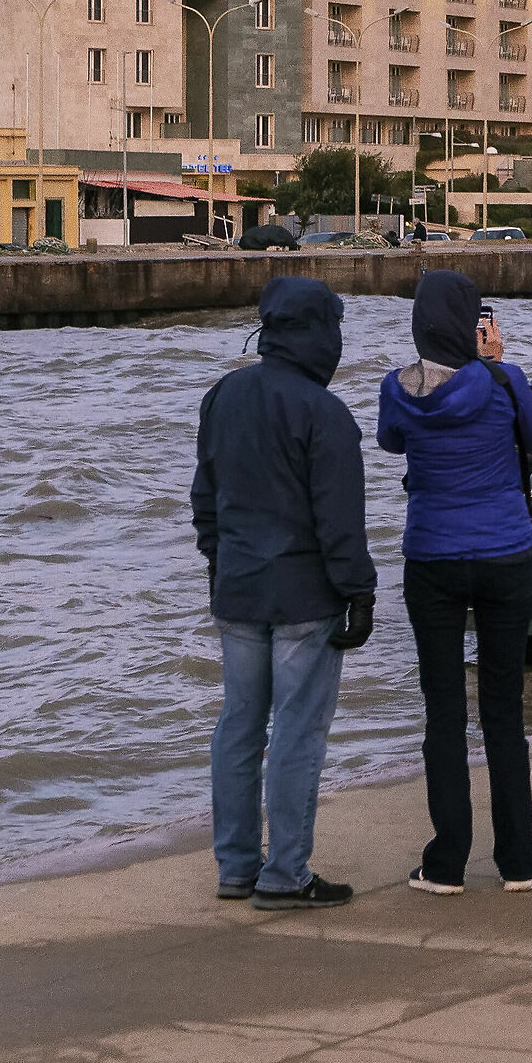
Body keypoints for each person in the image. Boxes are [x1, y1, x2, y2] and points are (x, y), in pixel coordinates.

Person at [192, 277, 376, 909]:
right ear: (323, 334)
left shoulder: (223, 396)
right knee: (297, 734)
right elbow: (339, 523)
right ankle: (285, 874)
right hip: (306, 596)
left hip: (239, 591)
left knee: (239, 729)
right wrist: (360, 594)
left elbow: (204, 502)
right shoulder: (325, 413)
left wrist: (219, 565)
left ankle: (236, 867)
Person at [378, 270, 532, 895]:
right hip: (506, 554)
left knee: (443, 712)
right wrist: (495, 363)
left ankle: (447, 861)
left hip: (433, 558)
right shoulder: (503, 381)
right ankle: (518, 862)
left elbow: (391, 441)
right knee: (505, 710)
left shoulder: (396, 391)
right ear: (474, 325)